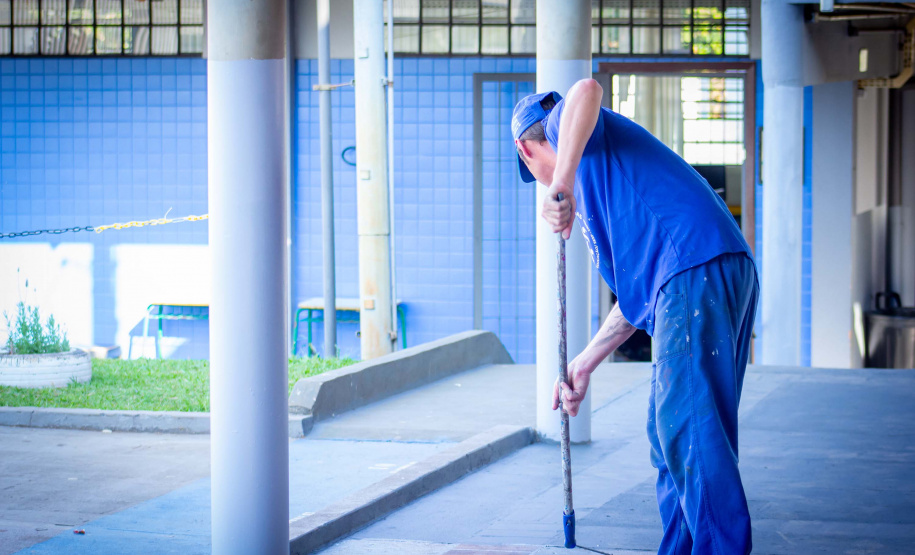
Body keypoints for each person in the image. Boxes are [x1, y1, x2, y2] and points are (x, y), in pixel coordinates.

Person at [512, 79, 758, 555]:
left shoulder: (568, 133)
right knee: (672, 433)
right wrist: (583, 364)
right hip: (699, 270)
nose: (545, 182)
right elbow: (636, 301)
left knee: (689, 431)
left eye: (536, 171)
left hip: (694, 268)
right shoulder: (608, 189)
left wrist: (561, 179)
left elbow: (585, 90)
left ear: (526, 149)